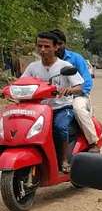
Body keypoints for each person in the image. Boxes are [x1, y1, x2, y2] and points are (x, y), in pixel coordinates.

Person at [22, 32, 85, 172]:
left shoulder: (65, 66)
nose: (42, 50)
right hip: (38, 109)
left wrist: (69, 90)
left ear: (56, 47)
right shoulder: (33, 67)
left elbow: (79, 87)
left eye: (47, 46)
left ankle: (64, 160)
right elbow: (22, 82)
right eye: (39, 46)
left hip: (62, 107)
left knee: (60, 127)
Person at [50, 28, 99, 151]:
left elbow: (87, 82)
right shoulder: (46, 61)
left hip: (77, 96)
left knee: (78, 109)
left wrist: (73, 91)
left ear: (64, 44)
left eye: (60, 43)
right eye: (55, 44)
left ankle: (93, 142)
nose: (58, 47)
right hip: (55, 98)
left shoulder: (75, 58)